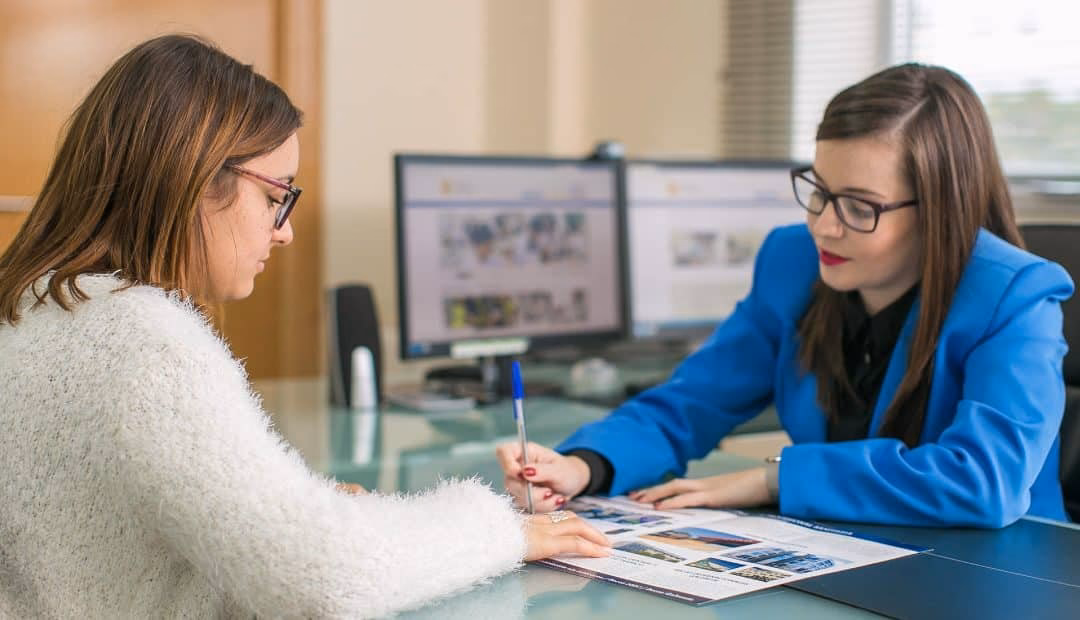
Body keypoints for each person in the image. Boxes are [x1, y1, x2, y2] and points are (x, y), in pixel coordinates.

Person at [0, 34, 609, 618]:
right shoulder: (143, 341)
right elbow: (319, 576)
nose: (284, 229)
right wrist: (504, 531)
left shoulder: (34, 303)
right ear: (195, 178)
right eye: (276, 196)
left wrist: (300, 520)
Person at [497, 63, 1074, 528]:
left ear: (940, 211)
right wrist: (582, 466)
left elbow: (984, 482)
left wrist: (774, 479)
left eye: (859, 205)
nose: (823, 225)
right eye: (819, 191)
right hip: (844, 553)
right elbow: (690, 402)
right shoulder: (792, 262)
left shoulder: (1016, 297)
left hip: (995, 574)